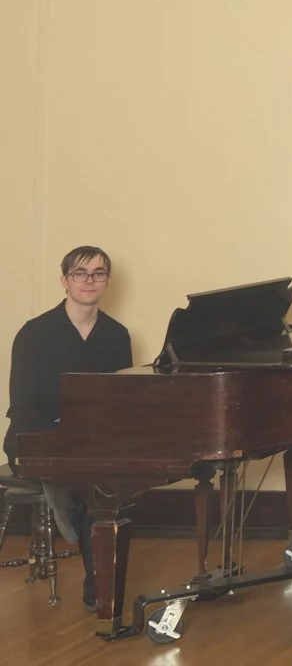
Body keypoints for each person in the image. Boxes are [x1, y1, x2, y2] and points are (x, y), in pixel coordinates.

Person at [4, 245, 131, 609]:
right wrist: (64, 441)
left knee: (106, 483)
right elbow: (22, 407)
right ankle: (101, 584)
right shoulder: (34, 334)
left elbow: (119, 403)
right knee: (90, 486)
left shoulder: (116, 335)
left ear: (107, 280)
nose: (89, 281)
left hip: (92, 442)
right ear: (64, 281)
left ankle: (100, 585)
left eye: (98, 273)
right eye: (79, 273)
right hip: (37, 438)